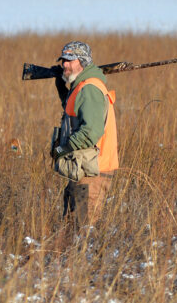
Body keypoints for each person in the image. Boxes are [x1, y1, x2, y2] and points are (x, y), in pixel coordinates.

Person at [50, 41, 119, 226]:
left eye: (70, 60)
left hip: (93, 173)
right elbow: (74, 112)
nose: (64, 64)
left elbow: (91, 131)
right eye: (63, 60)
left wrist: (63, 148)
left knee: (83, 233)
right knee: (72, 227)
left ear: (82, 61)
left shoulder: (89, 89)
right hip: (83, 170)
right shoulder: (80, 87)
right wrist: (60, 86)